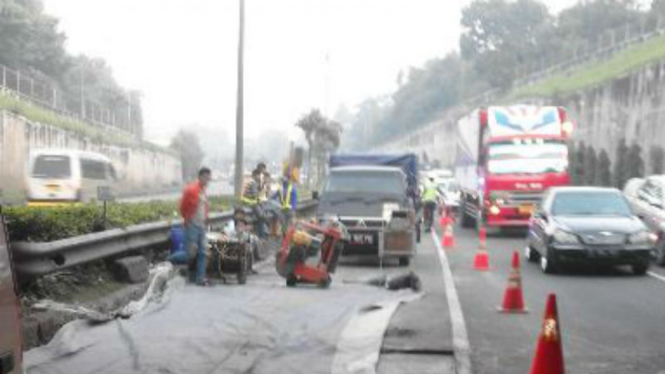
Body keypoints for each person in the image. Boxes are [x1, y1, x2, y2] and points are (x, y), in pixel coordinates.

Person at [179, 167, 212, 286]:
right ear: (201, 177)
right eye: (207, 178)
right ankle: (173, 259)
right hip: (192, 225)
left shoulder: (203, 191)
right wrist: (187, 220)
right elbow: (182, 207)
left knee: (203, 251)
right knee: (190, 253)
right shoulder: (191, 190)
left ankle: (200, 278)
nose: (208, 181)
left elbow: (204, 207)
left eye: (209, 179)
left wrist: (206, 219)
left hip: (201, 225)